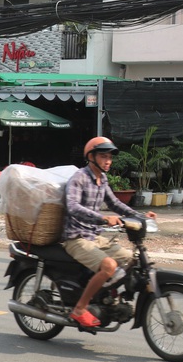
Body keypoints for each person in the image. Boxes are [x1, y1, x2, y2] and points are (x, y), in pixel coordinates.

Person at [62, 136, 156, 328]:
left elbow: (115, 203)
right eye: (104, 156)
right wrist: (103, 218)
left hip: (94, 236)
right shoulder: (79, 178)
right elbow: (72, 206)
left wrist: (140, 216)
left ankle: (106, 297)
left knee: (132, 259)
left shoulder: (102, 179)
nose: (108, 161)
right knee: (108, 266)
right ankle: (79, 309)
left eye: (110, 157)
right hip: (76, 238)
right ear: (91, 157)